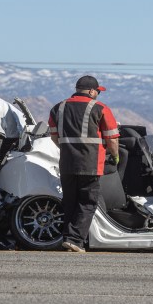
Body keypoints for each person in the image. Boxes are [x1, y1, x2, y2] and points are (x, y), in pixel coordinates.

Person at [48, 75, 120, 253]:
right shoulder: (100, 108)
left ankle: (67, 238)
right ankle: (75, 240)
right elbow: (112, 140)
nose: (98, 94)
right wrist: (115, 156)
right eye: (97, 91)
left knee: (70, 201)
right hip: (91, 162)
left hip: (67, 162)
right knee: (87, 202)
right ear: (91, 91)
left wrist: (68, 148)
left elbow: (54, 137)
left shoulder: (58, 108)